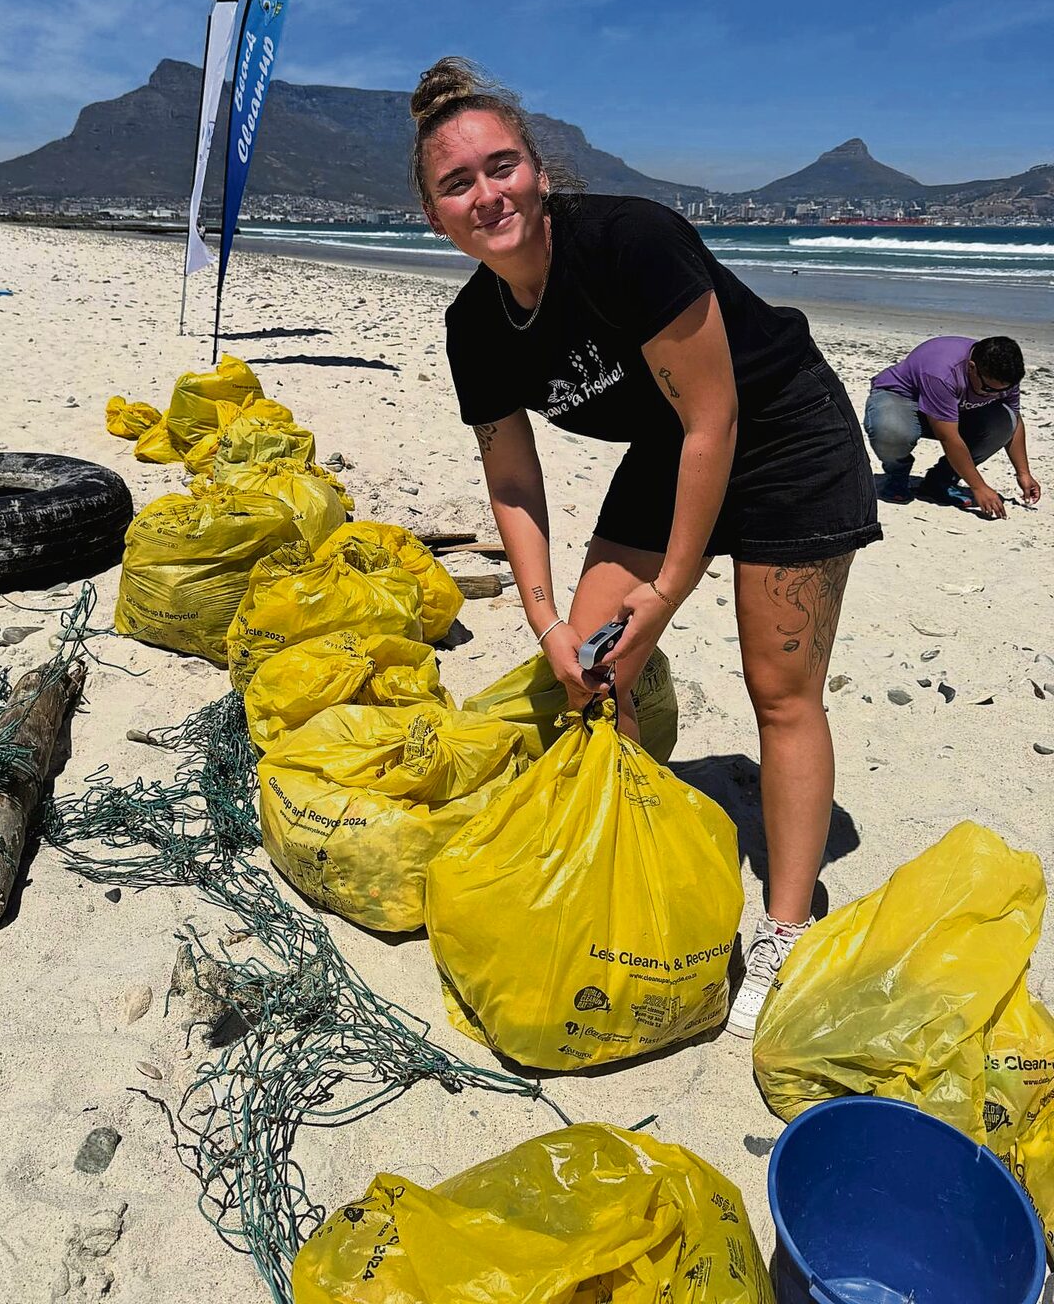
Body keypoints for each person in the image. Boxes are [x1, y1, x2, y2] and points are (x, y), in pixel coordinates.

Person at [412, 57, 882, 1039]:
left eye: (501, 166)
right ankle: (624, 860)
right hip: (673, 449)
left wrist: (667, 590)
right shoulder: (474, 328)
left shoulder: (631, 241)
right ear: (434, 215)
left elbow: (717, 420)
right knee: (591, 670)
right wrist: (546, 620)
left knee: (780, 690)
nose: (486, 194)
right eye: (457, 183)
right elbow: (512, 480)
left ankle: (787, 927)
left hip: (783, 434)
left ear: (539, 171)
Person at [864, 336, 1039, 517]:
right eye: (989, 389)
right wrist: (978, 486)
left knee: (1005, 422)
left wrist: (1023, 473)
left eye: (1002, 390)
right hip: (903, 398)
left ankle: (939, 482)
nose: (995, 394)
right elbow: (949, 438)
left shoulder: (1004, 376)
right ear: (972, 367)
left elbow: (1014, 421)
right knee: (890, 430)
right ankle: (897, 476)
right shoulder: (942, 372)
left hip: (954, 408)